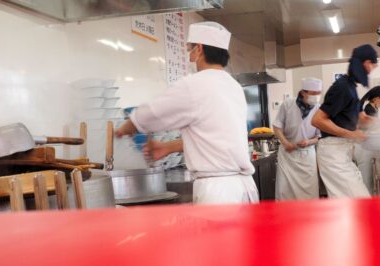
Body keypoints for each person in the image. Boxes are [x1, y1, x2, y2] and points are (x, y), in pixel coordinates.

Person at [115, 21, 259, 205]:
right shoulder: (233, 86)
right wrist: (167, 147)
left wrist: (126, 127)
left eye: (190, 49)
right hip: (244, 189)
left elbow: (153, 112)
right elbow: (213, 136)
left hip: (219, 195)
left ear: (199, 49)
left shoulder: (195, 84)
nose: (190, 55)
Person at [311, 44, 378, 199]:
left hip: (342, 152)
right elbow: (318, 120)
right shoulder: (342, 87)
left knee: (353, 201)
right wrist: (352, 135)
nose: (372, 69)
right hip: (332, 153)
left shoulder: (351, 87)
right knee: (358, 201)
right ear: (364, 63)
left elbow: (363, 118)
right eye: (372, 64)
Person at [273, 78, 322, 200]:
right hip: (287, 155)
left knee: (309, 193)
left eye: (318, 94)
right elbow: (277, 126)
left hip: (307, 155)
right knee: (284, 191)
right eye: (313, 94)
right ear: (303, 92)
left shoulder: (318, 108)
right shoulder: (288, 104)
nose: (316, 97)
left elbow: (319, 136)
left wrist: (308, 142)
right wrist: (286, 143)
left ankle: (309, 218)